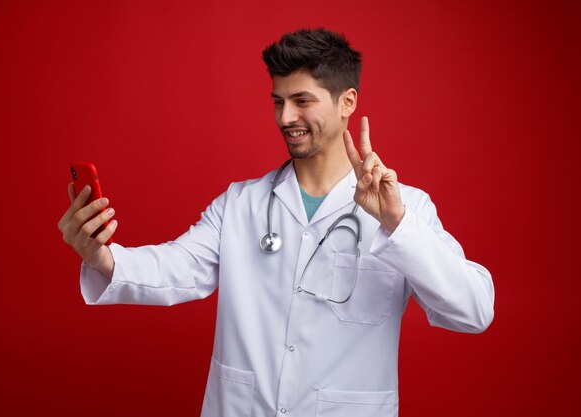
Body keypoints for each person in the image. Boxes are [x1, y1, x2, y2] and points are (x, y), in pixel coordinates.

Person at [58, 28, 494, 417]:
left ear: (347, 102)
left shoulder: (405, 209)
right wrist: (102, 257)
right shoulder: (241, 203)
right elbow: (176, 268)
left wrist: (397, 226)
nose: (286, 118)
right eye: (279, 101)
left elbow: (473, 311)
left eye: (303, 101)